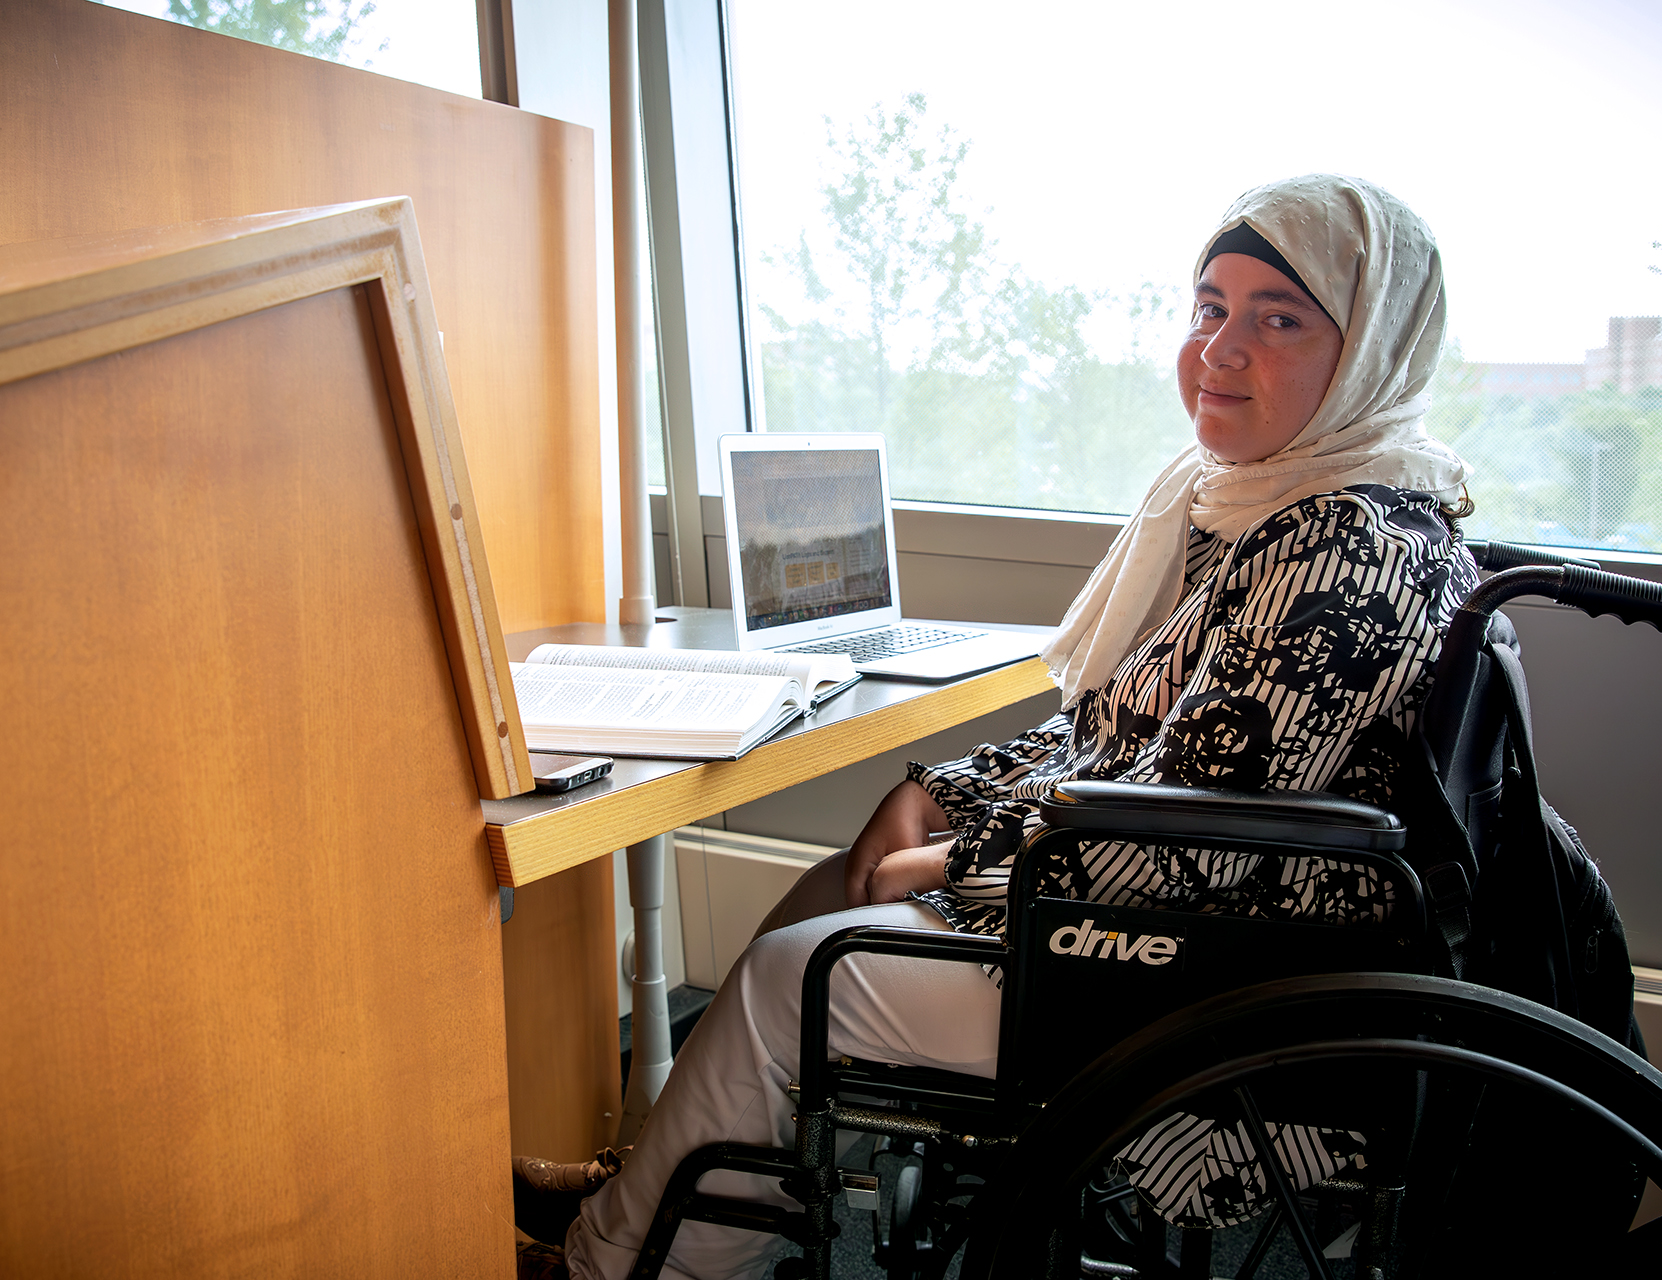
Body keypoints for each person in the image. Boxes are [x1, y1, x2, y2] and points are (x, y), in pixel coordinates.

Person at [559, 174, 1476, 1280]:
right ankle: (648, 1196)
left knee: (789, 979)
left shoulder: (1345, 549)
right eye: (1209, 307)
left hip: (1209, 979)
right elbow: (1115, 736)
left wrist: (949, 856)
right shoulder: (1267, 509)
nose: (1220, 348)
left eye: (1278, 318)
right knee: (822, 893)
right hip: (1162, 923)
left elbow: (1188, 832)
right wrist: (941, 788)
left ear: (1372, 349)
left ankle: (618, 1266)